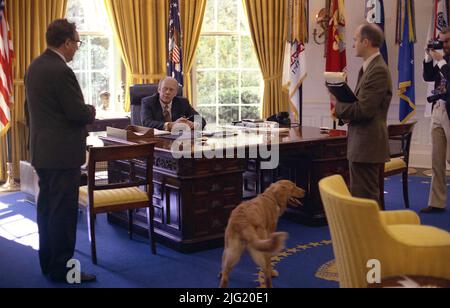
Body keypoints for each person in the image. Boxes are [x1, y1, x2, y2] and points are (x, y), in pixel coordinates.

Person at [25, 19, 97, 283]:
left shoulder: (35, 66)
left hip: (43, 152)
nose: (77, 47)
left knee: (47, 211)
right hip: (62, 156)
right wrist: (91, 110)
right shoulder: (60, 70)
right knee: (63, 216)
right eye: (76, 42)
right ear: (66, 42)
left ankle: (49, 264)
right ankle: (65, 271)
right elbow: (76, 112)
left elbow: (29, 112)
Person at [333, 23, 392, 205]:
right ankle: (367, 233)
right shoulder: (368, 67)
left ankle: (370, 233)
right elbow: (360, 104)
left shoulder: (378, 70)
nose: (353, 45)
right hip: (362, 143)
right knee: (362, 198)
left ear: (366, 42)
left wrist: (338, 107)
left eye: (355, 40)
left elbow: (365, 109)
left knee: (365, 200)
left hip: (368, 145)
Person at [421, 27, 450, 214]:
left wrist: (440, 61)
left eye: (447, 41)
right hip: (438, 108)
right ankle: (437, 202)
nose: (444, 45)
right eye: (441, 41)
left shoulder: (444, 61)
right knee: (436, 160)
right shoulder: (441, 59)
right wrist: (428, 58)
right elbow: (428, 77)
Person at [141, 77, 207, 131]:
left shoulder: (182, 102)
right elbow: (147, 123)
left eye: (171, 90)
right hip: (156, 140)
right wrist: (171, 125)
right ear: (159, 90)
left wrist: (192, 124)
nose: (167, 92)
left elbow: (201, 120)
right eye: (165, 89)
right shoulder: (148, 102)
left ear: (175, 93)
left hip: (178, 140)